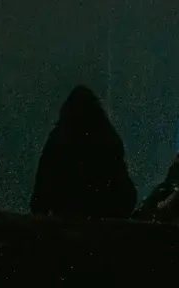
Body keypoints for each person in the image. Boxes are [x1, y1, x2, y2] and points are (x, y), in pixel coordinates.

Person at [30, 86, 137, 218]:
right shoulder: (109, 140)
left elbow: (41, 194)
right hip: (105, 225)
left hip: (65, 223)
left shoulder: (58, 141)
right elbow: (127, 197)